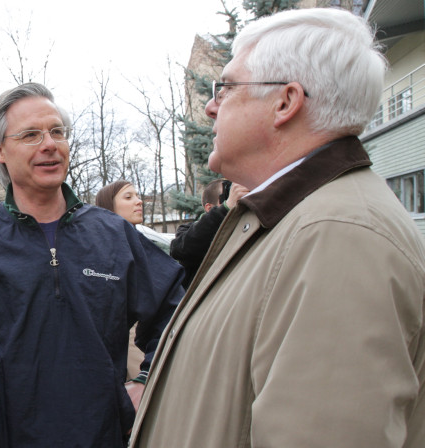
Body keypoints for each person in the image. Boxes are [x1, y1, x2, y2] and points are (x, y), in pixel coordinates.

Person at [131, 8, 425, 448]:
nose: (211, 106)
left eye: (226, 87)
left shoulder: (339, 236)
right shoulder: (287, 219)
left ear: (285, 102)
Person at [0, 83, 185, 447]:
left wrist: (147, 379)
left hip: (99, 434)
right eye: (31, 135)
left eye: (57, 132)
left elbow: (177, 310)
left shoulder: (112, 235)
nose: (49, 144)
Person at [94, 180, 171, 381]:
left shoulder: (144, 245)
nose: (138, 202)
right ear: (108, 206)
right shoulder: (101, 250)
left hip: (150, 339)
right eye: (128, 197)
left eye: (137, 196)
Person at [170, 178, 249, 288]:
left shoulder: (245, 228)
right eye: (227, 195)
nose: (234, 198)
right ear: (209, 208)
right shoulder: (187, 230)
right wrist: (227, 208)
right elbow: (180, 250)